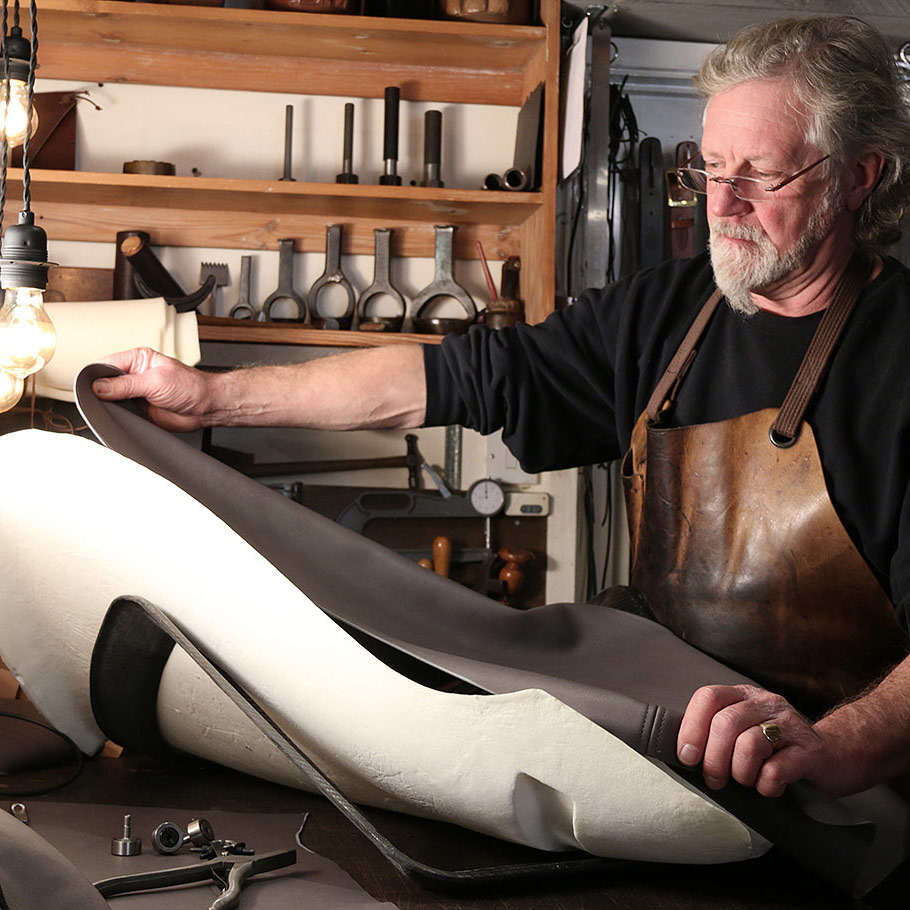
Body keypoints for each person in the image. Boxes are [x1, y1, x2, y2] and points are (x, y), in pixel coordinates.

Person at [93, 16, 910, 804]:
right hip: (670, 754)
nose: (720, 207)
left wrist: (836, 747)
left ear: (858, 177)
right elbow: (453, 379)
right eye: (711, 169)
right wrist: (215, 396)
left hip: (846, 798)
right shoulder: (667, 312)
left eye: (760, 177)